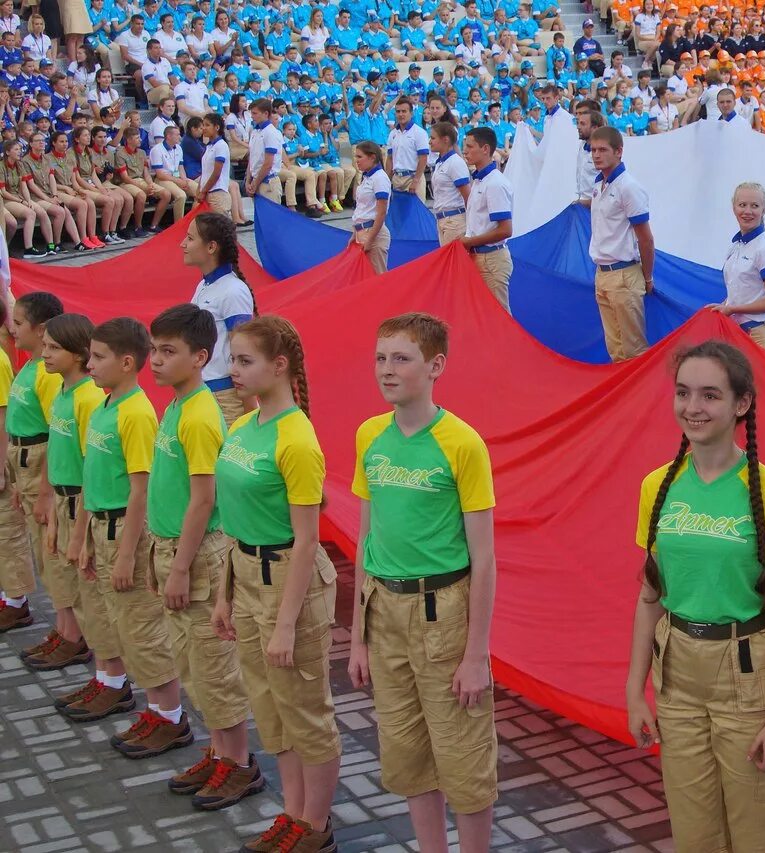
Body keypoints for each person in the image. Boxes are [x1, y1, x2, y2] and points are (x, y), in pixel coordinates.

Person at [626, 340, 765, 853]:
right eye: (683, 393)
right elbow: (648, 598)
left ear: (740, 405)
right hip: (677, 675)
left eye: (709, 395)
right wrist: (634, 690)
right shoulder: (656, 487)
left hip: (746, 675)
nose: (693, 407)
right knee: (694, 834)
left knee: (754, 832)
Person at [347, 313, 498, 853]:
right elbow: (367, 537)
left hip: (444, 614)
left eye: (401, 359)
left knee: (462, 754)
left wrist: (476, 653)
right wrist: (360, 638)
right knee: (407, 754)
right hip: (383, 610)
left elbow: (484, 557)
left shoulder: (462, 444)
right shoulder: (371, 436)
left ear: (435, 366)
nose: (387, 370)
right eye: (380, 358)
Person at [211, 315, 341, 853]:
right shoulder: (246, 426)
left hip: (291, 586)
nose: (233, 370)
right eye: (233, 359)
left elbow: (308, 541)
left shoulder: (297, 440)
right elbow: (234, 520)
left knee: (306, 711)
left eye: (244, 361)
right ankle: (291, 813)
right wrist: (224, 594)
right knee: (270, 707)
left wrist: (286, 624)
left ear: (279, 366)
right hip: (246, 577)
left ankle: (315, 825)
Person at [147, 303, 262, 810]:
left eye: (168, 352)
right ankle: (218, 753)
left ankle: (239, 763)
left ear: (200, 357)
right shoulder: (176, 405)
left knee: (214, 666)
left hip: (196, 556)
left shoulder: (198, 415)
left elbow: (204, 496)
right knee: (191, 664)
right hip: (174, 548)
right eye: (153, 349)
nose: (155, 360)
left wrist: (178, 567)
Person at [76, 316, 191, 759]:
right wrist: (86, 536)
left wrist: (127, 555)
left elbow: (141, 488)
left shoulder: (137, 412)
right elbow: (94, 475)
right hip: (101, 528)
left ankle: (170, 716)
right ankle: (152, 706)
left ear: (127, 363)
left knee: (143, 628)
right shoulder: (106, 405)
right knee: (118, 622)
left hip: (125, 530)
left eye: (99, 357)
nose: (90, 364)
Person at [35, 314, 107, 683]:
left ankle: (110, 678)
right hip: (63, 501)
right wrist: (47, 495)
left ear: (79, 355)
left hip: (81, 503)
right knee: (69, 583)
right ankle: (76, 643)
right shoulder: (62, 391)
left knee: (91, 594)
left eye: (53, 347)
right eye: (44, 345)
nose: (43, 354)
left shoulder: (89, 398)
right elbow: (55, 446)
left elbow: (91, 469)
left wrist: (80, 528)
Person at [1, 292, 62, 640]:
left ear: (40, 330)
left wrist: (44, 493)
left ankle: (70, 632)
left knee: (49, 551)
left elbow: (57, 434)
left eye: (19, 323)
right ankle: (64, 628)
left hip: (38, 460)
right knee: (40, 550)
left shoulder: (47, 374)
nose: (13, 328)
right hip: (22, 460)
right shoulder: (29, 365)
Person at [587, 126, 653, 362]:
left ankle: (641, 398)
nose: (596, 155)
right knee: (615, 349)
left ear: (619, 152)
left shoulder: (629, 187)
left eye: (603, 150)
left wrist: (647, 277)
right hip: (602, 273)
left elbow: (645, 238)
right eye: (593, 150)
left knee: (634, 351)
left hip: (624, 273)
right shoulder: (599, 185)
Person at [184, 212, 256, 426]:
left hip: (223, 398)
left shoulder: (233, 291)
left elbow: (245, 353)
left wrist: (251, 412)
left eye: (190, 238)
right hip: (201, 391)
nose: (182, 244)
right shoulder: (205, 285)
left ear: (211, 247)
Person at [714, 182, 765, 358]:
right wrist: (725, 305)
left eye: (755, 206)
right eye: (742, 205)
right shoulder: (736, 246)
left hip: (760, 337)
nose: (747, 211)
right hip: (737, 334)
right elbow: (741, 288)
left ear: (764, 210)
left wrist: (734, 308)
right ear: (733, 208)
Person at [459, 126, 514, 313]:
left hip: (491, 258)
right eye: (465, 146)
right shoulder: (480, 180)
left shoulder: (495, 183)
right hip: (480, 256)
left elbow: (505, 229)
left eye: (470, 146)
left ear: (485, 149)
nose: (465, 150)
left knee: (498, 317)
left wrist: (469, 241)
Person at [350, 140, 391, 275]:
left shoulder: (379, 178)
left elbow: (381, 212)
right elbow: (362, 208)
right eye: (356, 156)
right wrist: (355, 234)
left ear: (372, 157)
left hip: (372, 232)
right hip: (363, 231)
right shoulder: (367, 177)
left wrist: (370, 239)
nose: (357, 160)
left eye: (360, 157)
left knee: (377, 278)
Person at [427, 122, 470, 247]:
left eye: (433, 138)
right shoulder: (441, 162)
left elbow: (468, 196)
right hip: (444, 219)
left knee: (453, 262)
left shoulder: (455, 163)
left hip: (454, 220)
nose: (430, 141)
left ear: (445, 139)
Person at [386, 96, 430, 205]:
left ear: (411, 113)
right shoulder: (392, 134)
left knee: (416, 215)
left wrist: (415, 181)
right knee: (400, 217)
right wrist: (387, 180)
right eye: (398, 111)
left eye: (404, 111)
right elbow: (390, 159)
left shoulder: (419, 133)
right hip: (397, 179)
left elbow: (423, 158)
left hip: (413, 177)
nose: (401, 114)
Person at [245, 97, 283, 205]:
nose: (252, 116)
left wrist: (255, 183)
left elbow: (268, 163)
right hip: (256, 180)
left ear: (266, 113)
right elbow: (252, 158)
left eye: (255, 113)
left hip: (268, 182)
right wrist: (248, 180)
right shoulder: (255, 132)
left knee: (271, 219)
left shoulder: (271, 132)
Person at [197, 112, 234, 218]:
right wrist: (199, 189)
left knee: (220, 230)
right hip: (209, 192)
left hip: (217, 193)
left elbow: (216, 173)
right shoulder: (208, 147)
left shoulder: (221, 146)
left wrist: (203, 191)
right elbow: (205, 172)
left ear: (217, 127)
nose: (204, 128)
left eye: (207, 125)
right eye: (203, 125)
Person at [575, 107, 604, 203]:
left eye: (582, 124)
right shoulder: (582, 145)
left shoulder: (604, 151)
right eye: (578, 123)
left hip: (596, 207)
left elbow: (608, 186)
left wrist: (588, 203)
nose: (578, 127)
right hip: (581, 203)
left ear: (595, 128)